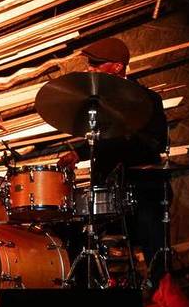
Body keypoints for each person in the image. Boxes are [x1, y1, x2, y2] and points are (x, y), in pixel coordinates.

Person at [55, 37, 167, 287]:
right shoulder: (95, 103)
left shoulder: (148, 100)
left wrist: (125, 131)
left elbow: (157, 143)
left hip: (141, 188)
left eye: (96, 64)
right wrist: (78, 153)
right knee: (76, 232)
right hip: (106, 189)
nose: (90, 68)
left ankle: (158, 294)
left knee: (152, 235)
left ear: (117, 67)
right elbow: (99, 139)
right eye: (90, 63)